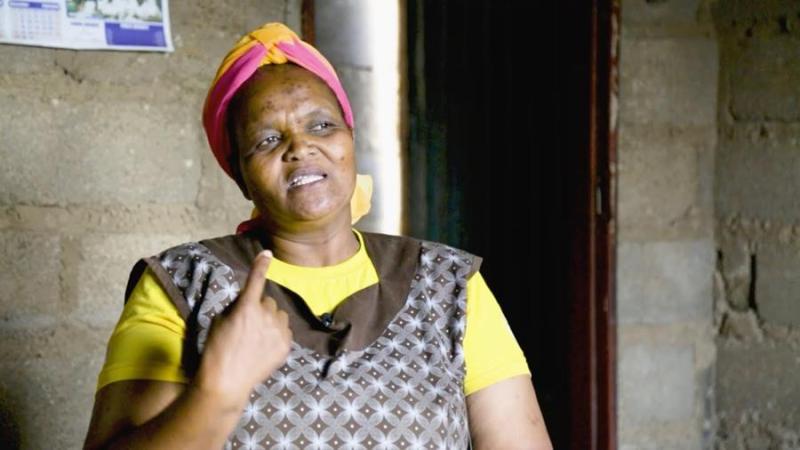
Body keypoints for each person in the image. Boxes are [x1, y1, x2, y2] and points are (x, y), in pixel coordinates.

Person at [83, 23, 552, 450]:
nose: (300, 147)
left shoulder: (449, 287)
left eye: (322, 125)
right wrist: (217, 393)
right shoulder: (184, 287)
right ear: (240, 175)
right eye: (267, 140)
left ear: (350, 140)